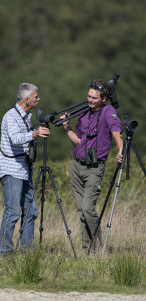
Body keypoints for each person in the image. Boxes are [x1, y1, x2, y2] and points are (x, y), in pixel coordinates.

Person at [60, 80, 122, 254]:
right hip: (77, 166)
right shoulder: (83, 113)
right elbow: (79, 142)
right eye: (88, 96)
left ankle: (97, 247)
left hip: (95, 168)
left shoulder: (108, 111)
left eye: (94, 97)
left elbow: (116, 130)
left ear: (103, 99)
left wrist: (120, 148)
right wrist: (67, 128)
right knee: (81, 211)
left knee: (88, 208)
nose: (90, 100)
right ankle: (86, 251)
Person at [0, 83, 50, 255]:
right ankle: (5, 251)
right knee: (12, 212)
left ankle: (27, 251)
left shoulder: (27, 116)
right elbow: (14, 138)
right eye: (36, 96)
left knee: (31, 210)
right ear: (27, 99)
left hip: (25, 169)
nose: (38, 98)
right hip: (11, 170)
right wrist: (34, 134)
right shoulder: (11, 116)